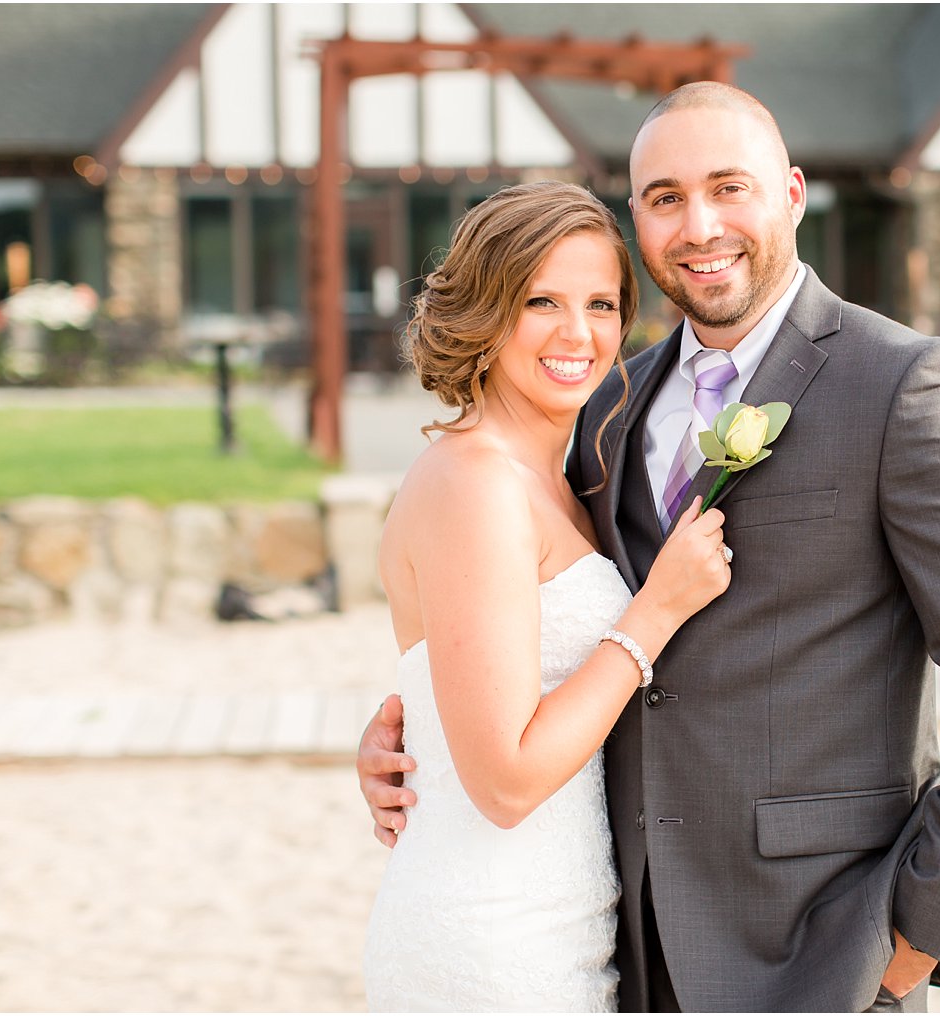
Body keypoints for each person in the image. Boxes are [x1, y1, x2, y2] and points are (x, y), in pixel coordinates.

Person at [359, 82, 940, 1012]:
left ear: (791, 193)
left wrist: (925, 930)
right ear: (639, 219)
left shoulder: (906, 385)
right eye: (665, 197)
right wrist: (410, 735)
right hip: (624, 942)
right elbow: (510, 634)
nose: (700, 225)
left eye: (728, 188)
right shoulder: (604, 411)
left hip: (817, 944)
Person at [360, 181, 733, 1011]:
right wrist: (654, 614)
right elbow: (506, 781)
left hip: (564, 925)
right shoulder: (474, 484)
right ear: (485, 315)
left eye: (602, 303)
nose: (581, 334)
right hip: (493, 938)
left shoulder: (561, 476)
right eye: (542, 302)